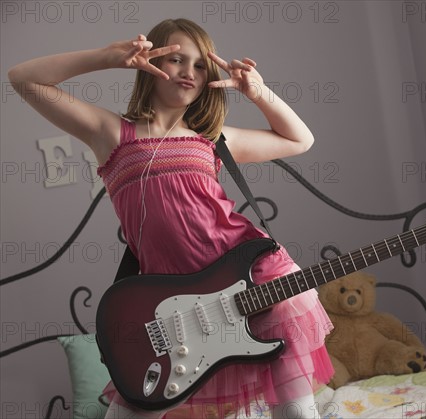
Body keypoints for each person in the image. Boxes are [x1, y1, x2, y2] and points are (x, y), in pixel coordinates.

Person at [8, 18, 334, 419]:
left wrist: (259, 92)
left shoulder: (210, 139)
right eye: (177, 59)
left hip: (250, 274)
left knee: (298, 412)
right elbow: (23, 78)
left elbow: (300, 139)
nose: (189, 72)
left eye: (200, 65)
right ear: (150, 64)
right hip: (168, 304)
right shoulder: (113, 134)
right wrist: (107, 58)